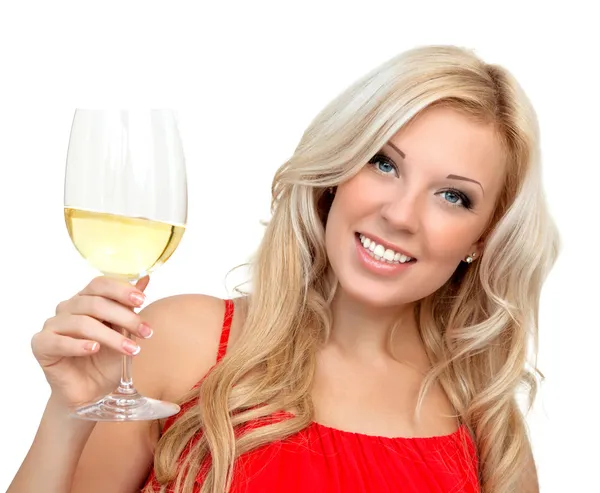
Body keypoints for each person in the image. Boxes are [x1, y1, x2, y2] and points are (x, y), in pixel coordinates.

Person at [8, 44, 559, 493]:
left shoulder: (484, 423)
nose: (399, 214)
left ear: (483, 239)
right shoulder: (183, 342)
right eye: (384, 163)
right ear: (338, 170)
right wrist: (67, 414)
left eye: (453, 197)